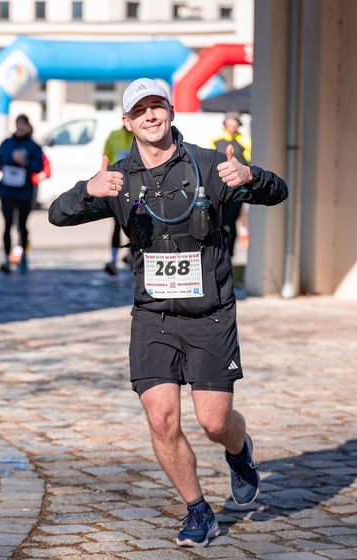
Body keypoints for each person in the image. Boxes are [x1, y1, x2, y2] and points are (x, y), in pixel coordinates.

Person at [48, 78, 288, 548]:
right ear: (127, 122)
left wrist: (253, 177)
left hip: (210, 316)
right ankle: (198, 510)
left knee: (215, 422)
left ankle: (239, 453)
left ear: (172, 112)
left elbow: (277, 193)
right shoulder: (118, 177)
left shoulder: (209, 165)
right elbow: (57, 214)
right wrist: (87, 190)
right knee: (161, 419)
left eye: (157, 106)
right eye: (140, 111)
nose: (150, 116)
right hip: (153, 317)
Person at [0, 114, 45, 274]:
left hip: (24, 191)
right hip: (7, 190)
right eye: (18, 125)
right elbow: (0, 159)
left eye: (23, 125)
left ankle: (22, 256)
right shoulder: (7, 143)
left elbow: (38, 167)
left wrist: (24, 162)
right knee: (7, 223)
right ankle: (6, 258)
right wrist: (8, 162)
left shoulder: (33, 146)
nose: (20, 128)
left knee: (22, 225)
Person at [211, 111, 252, 257]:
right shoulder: (216, 140)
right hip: (220, 188)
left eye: (234, 123)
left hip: (238, 189)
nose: (232, 126)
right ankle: (218, 252)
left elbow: (249, 164)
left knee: (230, 221)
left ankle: (229, 253)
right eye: (229, 123)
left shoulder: (245, 141)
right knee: (218, 220)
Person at [102, 125, 135, 275]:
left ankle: (131, 256)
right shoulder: (114, 135)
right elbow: (106, 158)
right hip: (117, 186)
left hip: (135, 186)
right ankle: (114, 259)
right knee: (116, 225)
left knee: (134, 223)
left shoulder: (140, 135)